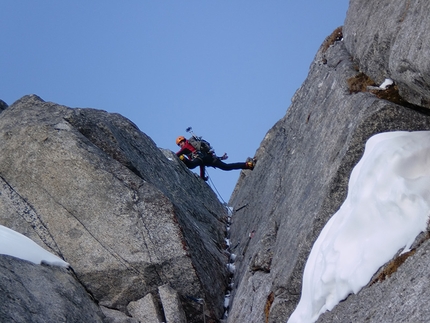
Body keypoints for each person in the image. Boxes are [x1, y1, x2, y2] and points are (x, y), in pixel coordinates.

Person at [175, 135, 255, 180]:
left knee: (191, 165)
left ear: (184, 140)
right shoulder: (190, 151)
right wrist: (202, 177)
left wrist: (176, 155)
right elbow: (201, 164)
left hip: (202, 157)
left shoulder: (186, 146)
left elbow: (185, 151)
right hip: (209, 159)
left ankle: (183, 159)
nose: (181, 145)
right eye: (179, 144)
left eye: (181, 142)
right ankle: (248, 165)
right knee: (226, 167)